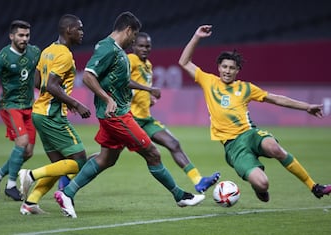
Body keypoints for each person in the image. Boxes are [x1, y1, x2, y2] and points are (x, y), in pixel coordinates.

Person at [54, 11, 205, 218]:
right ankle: (180, 196)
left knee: (106, 159)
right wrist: (107, 99)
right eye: (134, 36)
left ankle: (67, 193)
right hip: (116, 116)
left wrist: (147, 90)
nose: (134, 41)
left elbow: (122, 81)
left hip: (116, 114)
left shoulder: (118, 53)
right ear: (128, 30)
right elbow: (88, 76)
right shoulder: (107, 48)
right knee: (153, 153)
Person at [178, 25, 331, 202]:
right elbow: (183, 62)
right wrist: (197, 37)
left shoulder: (246, 88)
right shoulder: (208, 81)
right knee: (263, 184)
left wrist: (306, 107)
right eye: (225, 66)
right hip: (234, 147)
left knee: (274, 148)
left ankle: (314, 187)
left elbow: (275, 99)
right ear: (218, 67)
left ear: (237, 71)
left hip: (250, 134)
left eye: (232, 68)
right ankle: (258, 187)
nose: (228, 71)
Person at [128, 32, 220, 193]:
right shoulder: (131, 59)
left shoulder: (147, 64)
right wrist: (149, 89)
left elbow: (138, 87)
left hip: (145, 118)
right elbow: (123, 81)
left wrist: (147, 97)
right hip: (129, 119)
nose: (144, 49)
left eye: (147, 46)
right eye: (141, 46)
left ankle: (198, 181)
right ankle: (70, 176)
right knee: (107, 158)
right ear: (133, 46)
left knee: (173, 144)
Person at [18, 14, 91, 215]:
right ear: (68, 30)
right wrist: (76, 104)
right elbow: (51, 85)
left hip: (40, 112)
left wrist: (64, 100)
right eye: (79, 28)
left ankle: (30, 203)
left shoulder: (48, 51)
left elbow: (37, 82)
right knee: (79, 161)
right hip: (52, 115)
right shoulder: (65, 55)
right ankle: (30, 175)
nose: (82, 32)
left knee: (59, 165)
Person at [0, 20, 41, 201]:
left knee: (28, 152)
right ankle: (11, 185)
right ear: (11, 36)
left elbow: (36, 74)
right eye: (20, 35)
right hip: (10, 106)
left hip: (29, 106)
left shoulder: (35, 52)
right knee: (22, 142)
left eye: (27, 35)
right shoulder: (2, 57)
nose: (24, 39)